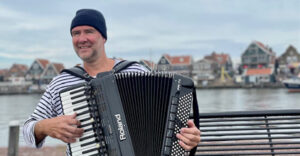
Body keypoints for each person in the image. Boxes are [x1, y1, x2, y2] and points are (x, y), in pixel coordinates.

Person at [23, 8, 201, 155]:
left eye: (89, 31)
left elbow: (174, 130)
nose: (82, 38)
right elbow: (27, 131)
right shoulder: (61, 82)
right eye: (76, 33)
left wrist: (189, 137)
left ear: (103, 37)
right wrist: (44, 126)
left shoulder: (136, 71)